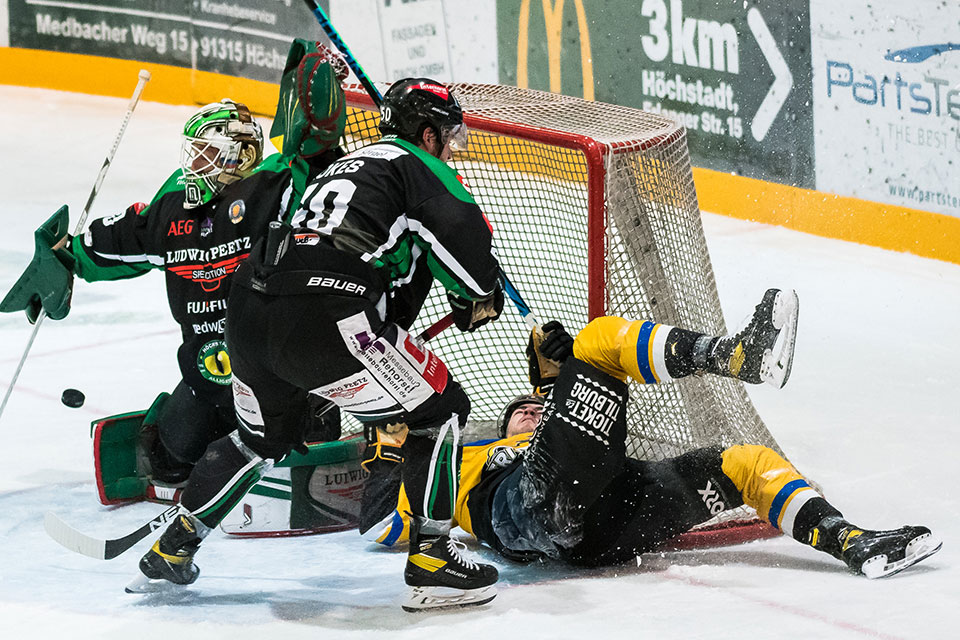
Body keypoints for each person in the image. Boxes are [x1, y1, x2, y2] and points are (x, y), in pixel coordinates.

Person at [130, 78, 506, 611]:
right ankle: (434, 560)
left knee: (260, 440)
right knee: (440, 409)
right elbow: (462, 239)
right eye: (448, 137)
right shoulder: (418, 166)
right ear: (428, 133)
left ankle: (175, 546)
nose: (450, 149)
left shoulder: (341, 167)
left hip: (250, 313)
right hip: (329, 313)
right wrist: (482, 293)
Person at [360, 289, 942, 579]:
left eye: (539, 409)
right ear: (499, 426)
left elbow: (561, 407)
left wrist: (559, 372)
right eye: (522, 413)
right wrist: (388, 450)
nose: (532, 415)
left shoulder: (554, 425)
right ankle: (738, 354)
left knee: (744, 461)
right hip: (526, 508)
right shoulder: (456, 458)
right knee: (596, 342)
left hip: (607, 515)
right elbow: (382, 525)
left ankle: (852, 544)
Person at [62, 41, 349, 491]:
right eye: (192, 154)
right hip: (207, 378)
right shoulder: (173, 207)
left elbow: (312, 163)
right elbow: (116, 240)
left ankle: (312, 416)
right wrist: (66, 256)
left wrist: (319, 93)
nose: (194, 167)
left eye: (205, 155)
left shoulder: (271, 190)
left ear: (239, 156)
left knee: (292, 447)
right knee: (171, 461)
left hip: (281, 376)